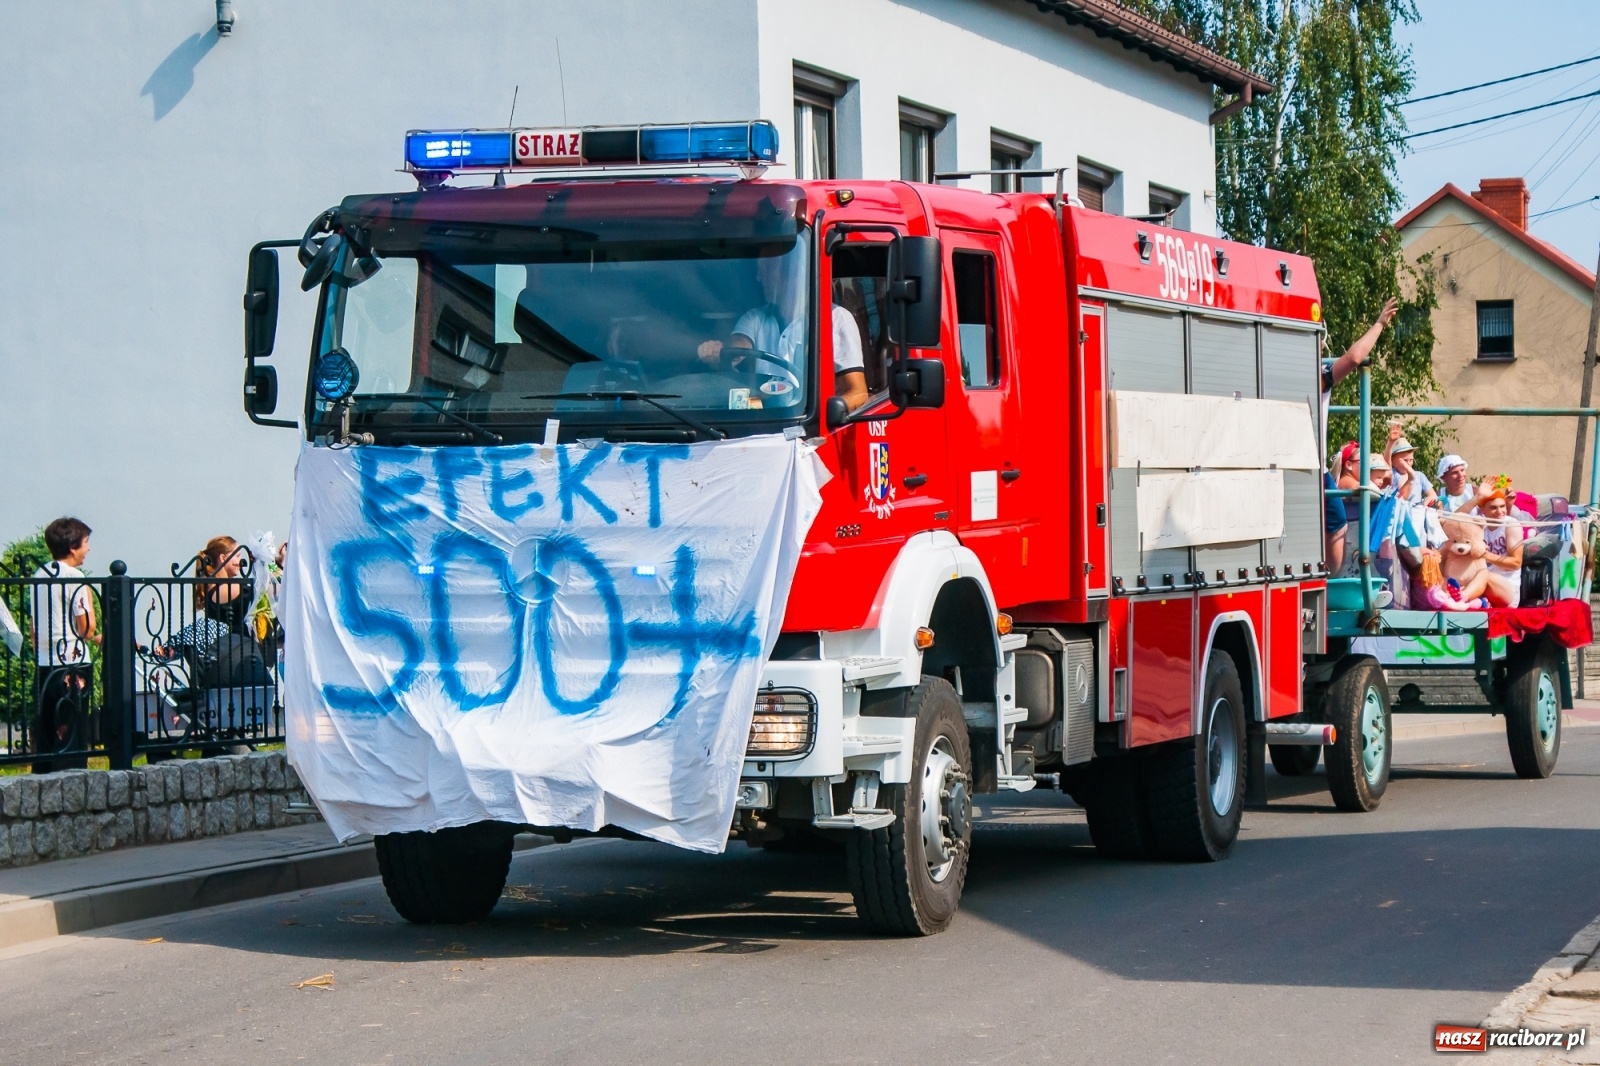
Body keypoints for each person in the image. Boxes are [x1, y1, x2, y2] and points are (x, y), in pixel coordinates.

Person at [697, 254, 870, 413]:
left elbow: (858, 392)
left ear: (792, 271)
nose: (759, 277)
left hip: (810, 426)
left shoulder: (836, 318)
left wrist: (828, 414)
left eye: (766, 268)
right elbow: (739, 345)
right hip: (766, 422)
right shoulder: (755, 318)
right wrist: (720, 352)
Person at [1320, 297, 1399, 568]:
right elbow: (1354, 358)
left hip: (1280, 464)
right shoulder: (1316, 374)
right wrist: (1379, 323)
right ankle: (1326, 579)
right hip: (1307, 467)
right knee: (1338, 523)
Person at [29, 517, 98, 771]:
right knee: (73, 734)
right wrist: (89, 598)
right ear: (73, 547)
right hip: (73, 661)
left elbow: (34, 628)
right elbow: (86, 628)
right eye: (86, 543)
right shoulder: (75, 577)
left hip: (46, 662)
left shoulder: (40, 574)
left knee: (48, 730)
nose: (88, 549)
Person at [1477, 480, 1524, 607]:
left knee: (1482, 575)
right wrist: (1476, 498)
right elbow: (1455, 520)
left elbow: (1516, 563)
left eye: (1502, 506)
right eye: (1493, 508)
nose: (1500, 512)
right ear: (1483, 510)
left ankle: (1463, 597)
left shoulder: (1511, 524)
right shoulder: (1479, 524)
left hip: (1508, 589)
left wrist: (1484, 555)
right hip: (1481, 586)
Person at [194, 536, 251, 636]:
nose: (241, 561)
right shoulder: (222, 587)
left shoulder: (212, 585)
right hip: (235, 647)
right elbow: (256, 591)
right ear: (223, 558)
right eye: (237, 556)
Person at [1387, 435, 1437, 506]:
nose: (1408, 464)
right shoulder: (1393, 474)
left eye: (1411, 460)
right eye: (1404, 460)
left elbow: (1432, 495)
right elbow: (1400, 498)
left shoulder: (1419, 476)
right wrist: (1390, 444)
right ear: (1393, 460)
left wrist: (1425, 502)